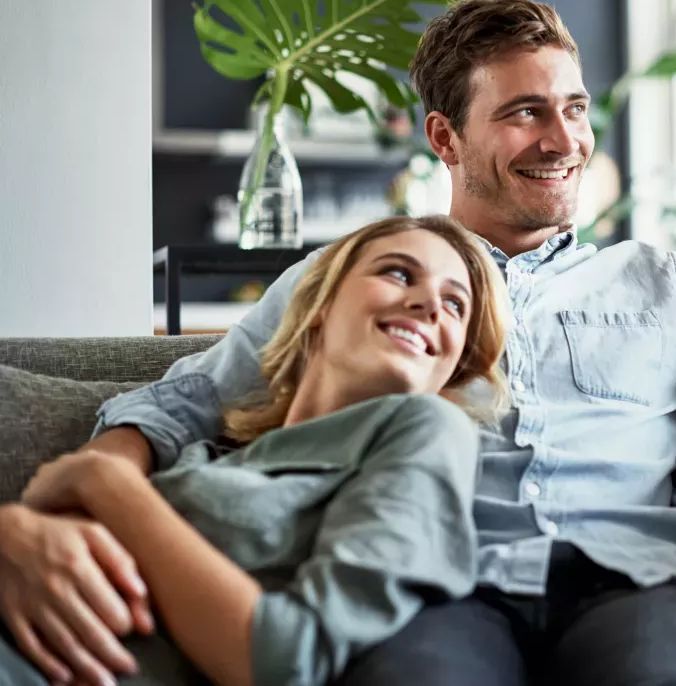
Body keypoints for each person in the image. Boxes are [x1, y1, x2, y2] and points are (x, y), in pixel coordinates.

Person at [0, 0, 676, 686]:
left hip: (637, 586)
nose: (561, 137)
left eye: (572, 107)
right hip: (429, 590)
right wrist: (71, 501)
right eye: (524, 111)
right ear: (444, 137)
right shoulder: (362, 279)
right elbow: (173, 404)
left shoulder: (666, 286)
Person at [0, 215, 508, 686]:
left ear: (454, 362)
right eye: (398, 274)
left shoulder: (429, 431)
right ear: (319, 308)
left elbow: (289, 658)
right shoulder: (210, 448)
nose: (430, 304)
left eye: (456, 304)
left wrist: (106, 484)